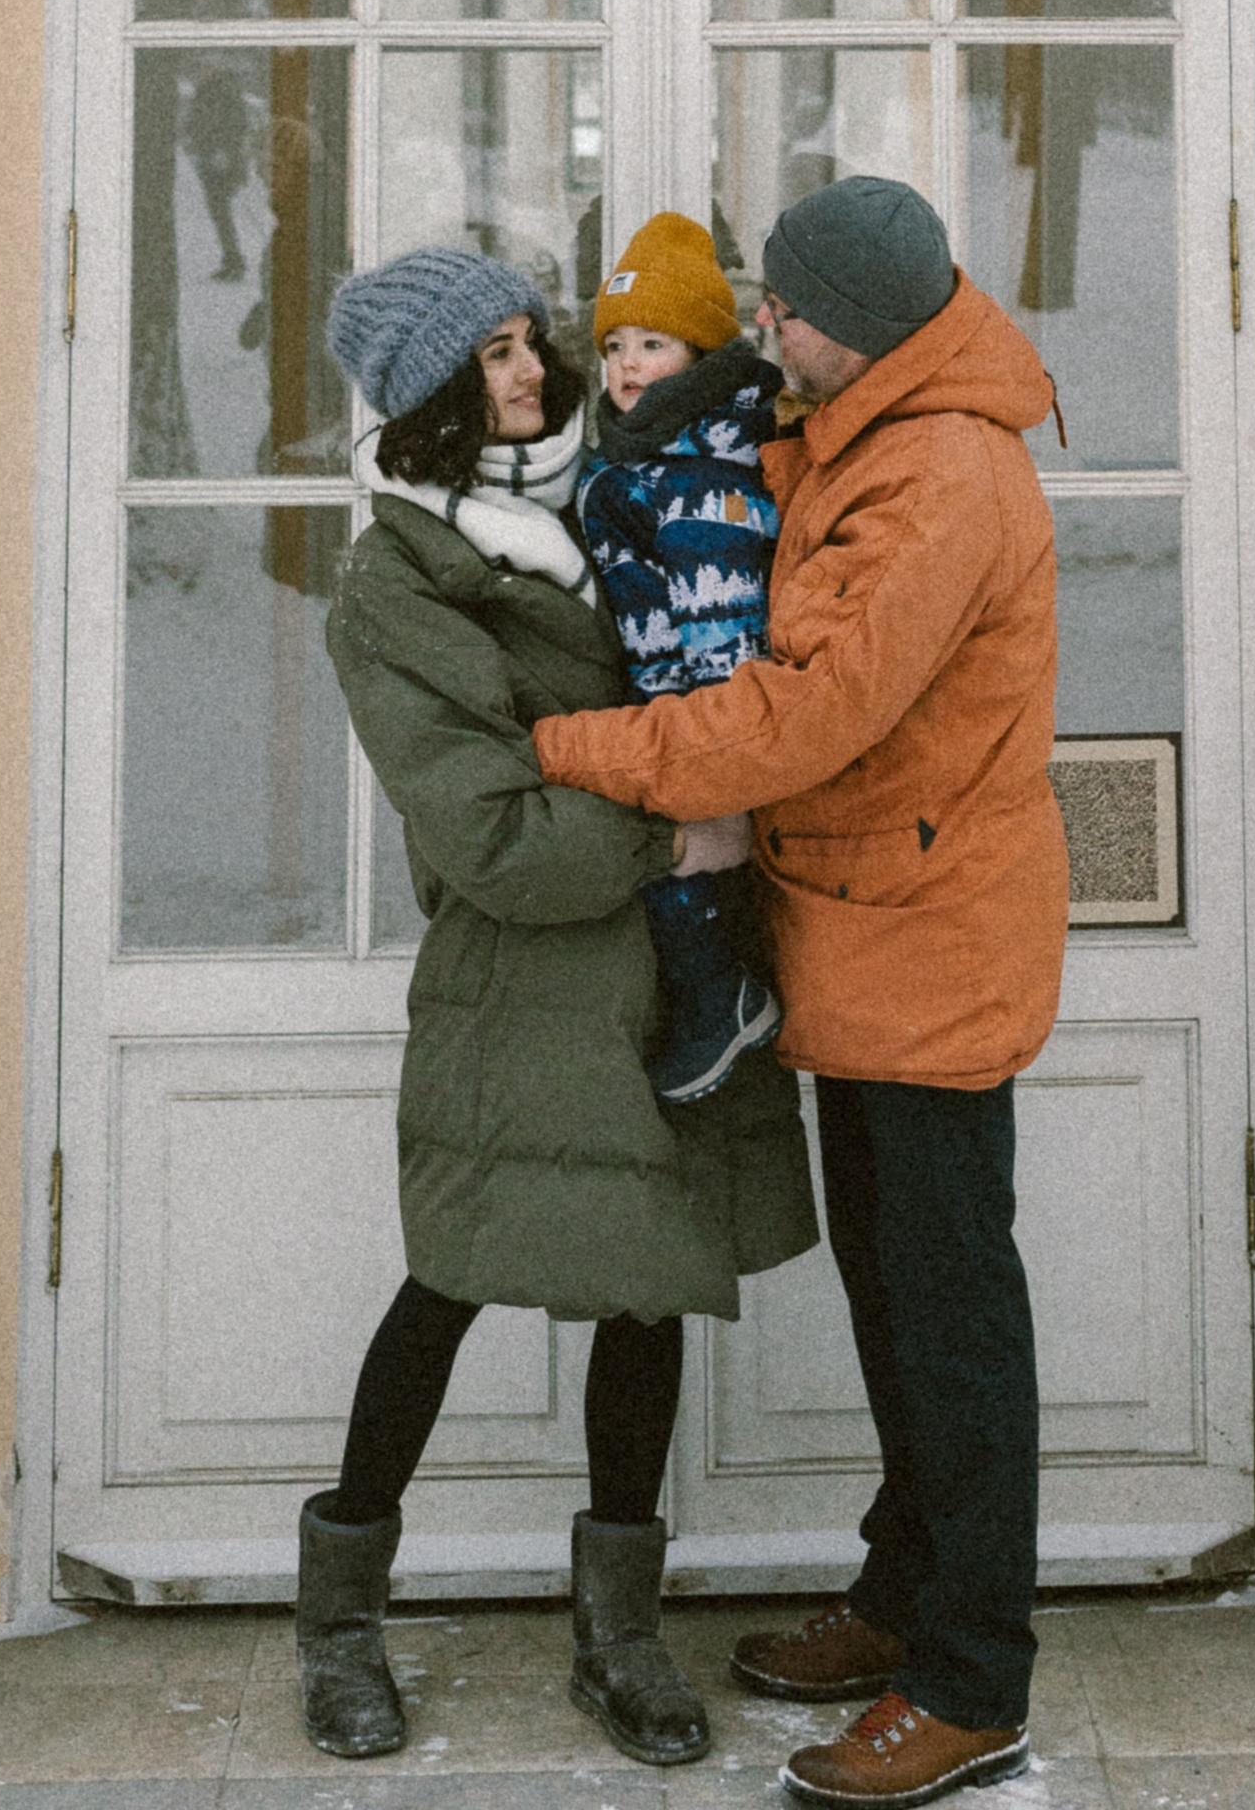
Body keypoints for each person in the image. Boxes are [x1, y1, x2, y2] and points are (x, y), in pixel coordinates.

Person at [533, 178, 1066, 1810]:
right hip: (864, 932)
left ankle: (971, 1681)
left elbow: (793, 720)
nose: (768, 329)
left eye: (790, 310)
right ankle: (904, 1600)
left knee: (949, 1327)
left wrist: (566, 748)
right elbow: (728, 466)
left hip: (929, 946)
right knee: (899, 1308)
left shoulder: (941, 478)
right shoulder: (857, 423)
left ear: (872, 324)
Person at [300, 244, 818, 1773]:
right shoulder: (397, 579)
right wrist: (677, 828)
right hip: (520, 990)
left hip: (660, 979)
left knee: (647, 1291)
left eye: (534, 344)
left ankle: (621, 1636)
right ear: (428, 397)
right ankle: (339, 1624)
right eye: (497, 356)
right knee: (445, 1286)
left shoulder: (614, 502)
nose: (532, 375)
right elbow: (488, 833)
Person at [578, 210, 786, 1104]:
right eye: (615, 343)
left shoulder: (703, 478)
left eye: (652, 343)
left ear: (700, 356)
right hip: (652, 695)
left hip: (693, 712)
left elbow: (724, 624)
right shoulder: (642, 455)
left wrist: (709, 761)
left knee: (683, 871)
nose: (626, 365)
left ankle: (725, 997)